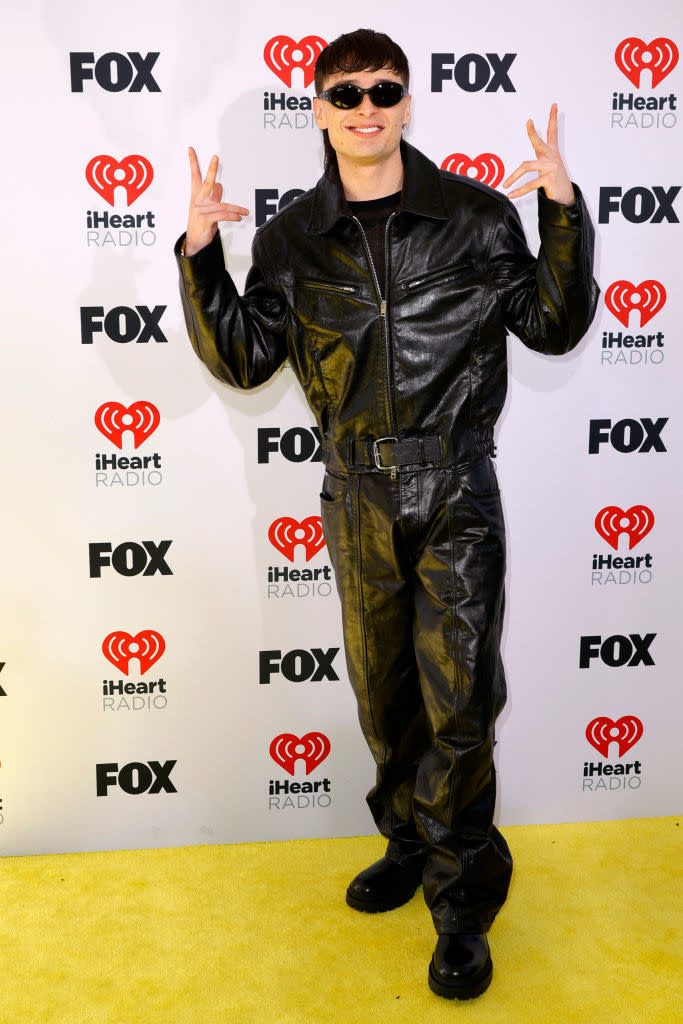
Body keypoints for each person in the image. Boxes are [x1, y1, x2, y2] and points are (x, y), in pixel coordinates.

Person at [175, 28, 598, 1000]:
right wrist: (201, 257)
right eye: (345, 91)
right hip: (355, 495)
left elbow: (552, 323)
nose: (365, 106)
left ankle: (460, 909)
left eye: (383, 89)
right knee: (382, 695)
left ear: (407, 103)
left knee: (458, 704)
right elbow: (242, 358)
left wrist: (562, 215)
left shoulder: (475, 217)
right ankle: (405, 842)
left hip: (454, 490)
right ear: (317, 108)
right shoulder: (287, 238)